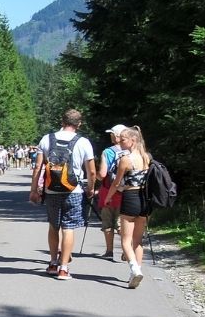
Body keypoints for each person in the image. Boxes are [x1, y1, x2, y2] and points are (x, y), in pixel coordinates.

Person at [28, 109, 96, 280]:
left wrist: (34, 190)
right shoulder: (83, 142)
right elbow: (92, 171)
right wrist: (90, 189)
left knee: (53, 226)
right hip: (73, 190)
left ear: (62, 121)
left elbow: (37, 167)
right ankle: (64, 269)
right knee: (68, 228)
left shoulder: (46, 138)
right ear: (79, 124)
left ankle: (52, 263)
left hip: (51, 190)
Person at [102, 126, 151, 288]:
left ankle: (135, 270)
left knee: (125, 240)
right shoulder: (146, 157)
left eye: (123, 139)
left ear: (133, 141)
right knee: (138, 241)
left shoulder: (126, 159)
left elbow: (116, 183)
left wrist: (107, 198)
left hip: (130, 198)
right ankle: (136, 271)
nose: (120, 141)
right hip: (144, 199)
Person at [95, 124, 127, 261]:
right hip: (127, 192)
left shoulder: (108, 152)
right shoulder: (131, 151)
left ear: (118, 136)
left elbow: (102, 174)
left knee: (107, 222)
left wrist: (94, 176)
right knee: (122, 222)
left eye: (112, 133)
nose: (111, 136)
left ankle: (109, 251)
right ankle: (127, 249)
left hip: (108, 190)